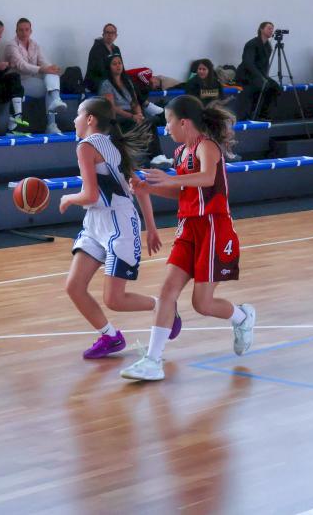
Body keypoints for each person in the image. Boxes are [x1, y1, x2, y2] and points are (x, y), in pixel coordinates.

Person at [120, 95, 256, 382]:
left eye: (168, 121)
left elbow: (207, 178)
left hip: (213, 227)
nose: (166, 128)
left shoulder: (207, 146)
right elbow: (184, 192)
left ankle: (242, 316)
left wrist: (169, 179)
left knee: (202, 304)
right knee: (167, 290)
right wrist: (148, 188)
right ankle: (153, 360)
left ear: (183, 122)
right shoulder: (181, 152)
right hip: (188, 227)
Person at [58, 96, 179, 359]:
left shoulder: (86, 146)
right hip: (96, 223)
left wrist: (68, 198)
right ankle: (110, 337)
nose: (75, 120)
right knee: (74, 286)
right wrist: (151, 227)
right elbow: (139, 187)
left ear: (90, 119)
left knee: (114, 299)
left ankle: (164, 307)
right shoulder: (113, 144)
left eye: (78, 114)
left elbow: (90, 195)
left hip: (119, 225)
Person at [99, 54, 171, 168]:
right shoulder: (106, 84)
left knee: (149, 121)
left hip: (131, 115)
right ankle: (156, 157)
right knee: (146, 124)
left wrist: (139, 114)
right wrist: (132, 116)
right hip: (117, 117)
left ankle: (157, 157)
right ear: (109, 67)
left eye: (119, 63)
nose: (118, 66)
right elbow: (111, 107)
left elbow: (134, 102)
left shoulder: (127, 81)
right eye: (114, 64)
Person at [3, 18, 66, 135]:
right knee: (49, 88)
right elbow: (22, 65)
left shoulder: (35, 45)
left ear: (31, 31)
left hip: (32, 81)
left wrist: (52, 68)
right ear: (16, 31)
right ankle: (51, 122)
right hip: (17, 83)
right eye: (21, 30)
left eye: (26, 29)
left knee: (51, 75)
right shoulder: (11, 45)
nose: (24, 32)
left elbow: (44, 62)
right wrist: (43, 69)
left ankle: (56, 102)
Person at [235, 21, 281, 120]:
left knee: (275, 87)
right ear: (261, 29)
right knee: (262, 85)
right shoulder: (252, 44)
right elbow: (248, 63)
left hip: (259, 74)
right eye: (269, 28)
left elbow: (265, 64)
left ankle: (263, 114)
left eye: (272, 29)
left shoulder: (268, 46)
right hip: (247, 75)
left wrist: (265, 77)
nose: (271, 31)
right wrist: (260, 77)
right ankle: (253, 115)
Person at [84, 24, 121, 94]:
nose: (110, 35)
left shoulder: (116, 49)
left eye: (112, 33)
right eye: (107, 32)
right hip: (96, 81)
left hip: (111, 79)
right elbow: (100, 70)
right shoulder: (97, 48)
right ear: (103, 35)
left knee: (129, 83)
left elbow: (121, 66)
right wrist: (115, 79)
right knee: (111, 86)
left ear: (116, 36)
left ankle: (141, 101)